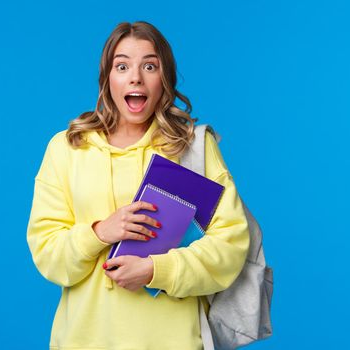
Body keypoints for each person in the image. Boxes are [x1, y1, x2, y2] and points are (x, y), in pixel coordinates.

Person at [26, 21, 250, 350]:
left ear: (164, 79)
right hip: (84, 340)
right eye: (122, 66)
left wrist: (154, 270)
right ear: (107, 78)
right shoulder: (67, 148)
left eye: (149, 66)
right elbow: (48, 255)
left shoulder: (191, 148)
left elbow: (229, 247)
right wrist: (101, 231)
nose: (136, 77)